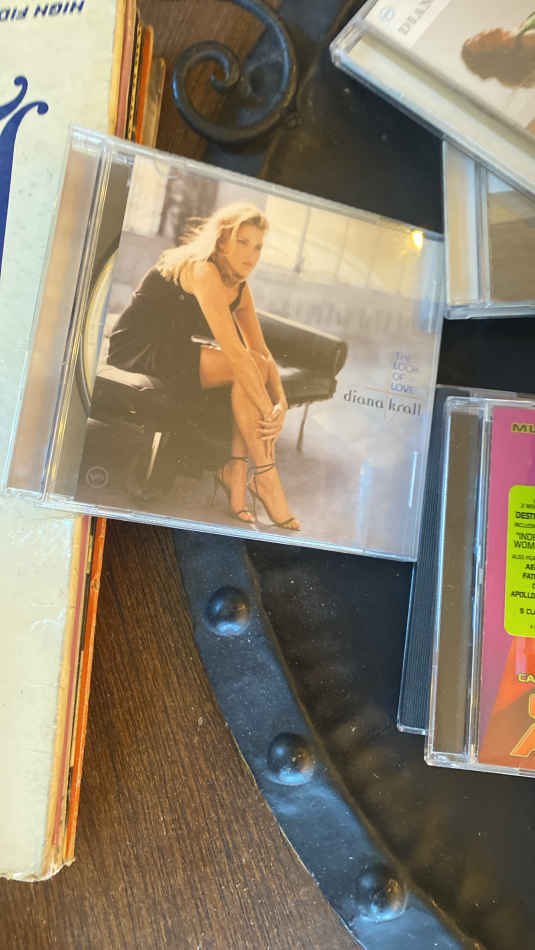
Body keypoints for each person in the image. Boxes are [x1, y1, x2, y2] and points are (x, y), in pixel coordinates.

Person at [107, 201, 300, 531]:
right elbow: (237, 353)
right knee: (245, 367)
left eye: (257, 246)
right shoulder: (203, 270)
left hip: (175, 350)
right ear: (222, 241)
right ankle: (266, 477)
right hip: (137, 348)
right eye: (243, 242)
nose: (251, 254)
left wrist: (281, 403)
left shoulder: (238, 286)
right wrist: (268, 411)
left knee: (256, 365)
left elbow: (261, 352)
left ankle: (237, 472)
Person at [462, 13, 535, 87]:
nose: (484, 34)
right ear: (493, 55)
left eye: (477, 36)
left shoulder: (519, 32)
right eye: (482, 43)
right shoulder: (525, 40)